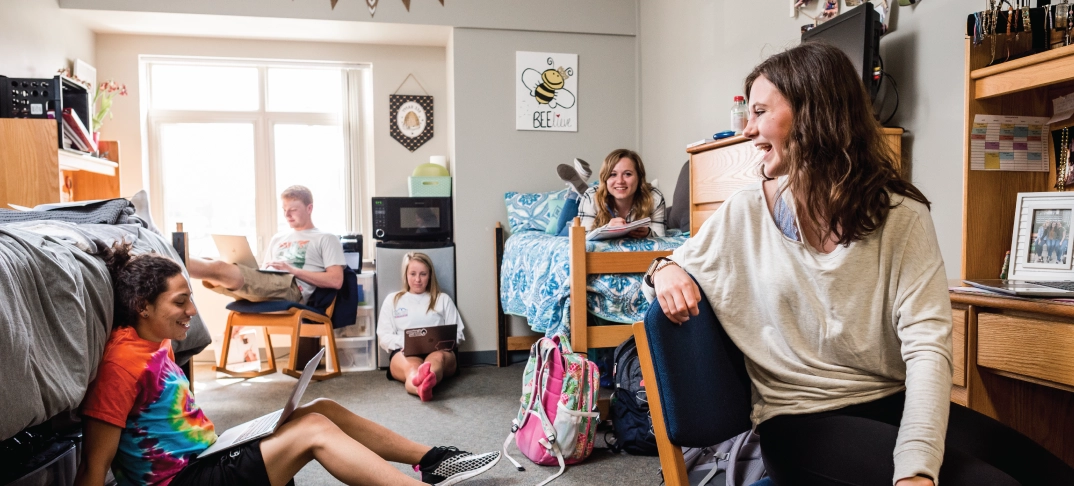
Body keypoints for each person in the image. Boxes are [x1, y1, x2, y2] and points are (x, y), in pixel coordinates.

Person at [648, 42, 1074, 486]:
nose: (748, 130)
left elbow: (928, 349)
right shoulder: (745, 212)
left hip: (889, 401)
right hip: (798, 423)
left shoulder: (901, 215)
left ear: (811, 112)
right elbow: (669, 267)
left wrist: (916, 465)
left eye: (759, 112)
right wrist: (664, 269)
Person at [75, 247, 499, 486]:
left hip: (209, 455)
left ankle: (434, 459)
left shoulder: (156, 339)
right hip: (184, 483)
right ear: (142, 306)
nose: (192, 310)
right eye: (180, 301)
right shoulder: (121, 366)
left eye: (189, 298)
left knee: (323, 409)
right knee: (313, 432)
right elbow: (95, 468)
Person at [186, 185, 345, 304]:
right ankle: (174, 258)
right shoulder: (278, 238)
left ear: (309, 208)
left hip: (292, 288)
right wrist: (241, 322)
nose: (287, 215)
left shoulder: (325, 238)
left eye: (293, 209)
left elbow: (336, 281)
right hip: (268, 284)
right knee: (211, 267)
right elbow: (260, 281)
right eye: (284, 209)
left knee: (217, 269)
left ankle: (171, 258)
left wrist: (293, 271)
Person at [377, 252, 465, 402]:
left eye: (423, 274)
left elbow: (459, 334)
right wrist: (404, 343)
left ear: (430, 275)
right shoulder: (393, 300)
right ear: (406, 274)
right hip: (404, 351)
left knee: (434, 361)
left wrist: (440, 344)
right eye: (413, 274)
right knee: (412, 369)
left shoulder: (442, 299)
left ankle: (427, 380)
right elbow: (384, 336)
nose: (417, 279)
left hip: (439, 351)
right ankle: (421, 388)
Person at [553, 150, 666, 238]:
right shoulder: (591, 196)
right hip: (592, 209)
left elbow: (661, 237)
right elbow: (583, 239)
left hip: (596, 200)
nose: (620, 181)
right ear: (605, 178)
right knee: (559, 234)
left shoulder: (654, 197)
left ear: (639, 177)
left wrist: (648, 233)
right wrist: (607, 229)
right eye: (613, 174)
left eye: (627, 174)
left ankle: (577, 188)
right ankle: (574, 193)